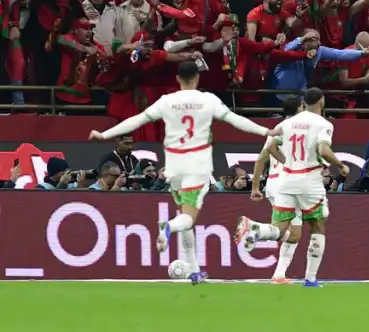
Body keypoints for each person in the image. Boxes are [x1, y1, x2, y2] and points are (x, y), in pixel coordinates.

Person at [88, 61, 278, 284]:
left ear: (178, 79)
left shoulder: (167, 101)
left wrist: (105, 134)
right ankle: (168, 226)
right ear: (197, 78)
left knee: (185, 215)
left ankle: (193, 270)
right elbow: (236, 120)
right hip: (197, 164)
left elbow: (136, 120)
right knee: (187, 218)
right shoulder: (207, 100)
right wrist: (266, 130)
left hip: (174, 165)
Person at [235, 88, 350, 288]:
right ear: (321, 101)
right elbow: (324, 150)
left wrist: (286, 162)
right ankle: (311, 279)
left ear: (304, 102)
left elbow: (270, 147)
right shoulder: (323, 124)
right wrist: (340, 165)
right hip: (310, 181)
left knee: (281, 228)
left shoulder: (286, 124)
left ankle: (257, 229)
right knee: (317, 226)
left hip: (286, 180)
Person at [240, 95, 304, 284]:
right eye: (303, 107)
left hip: (273, 184)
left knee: (292, 234)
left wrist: (255, 187)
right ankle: (255, 228)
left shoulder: (278, 128)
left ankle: (279, 275)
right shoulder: (295, 129)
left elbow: (261, 158)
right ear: (299, 109)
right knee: (292, 233)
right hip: (288, 184)